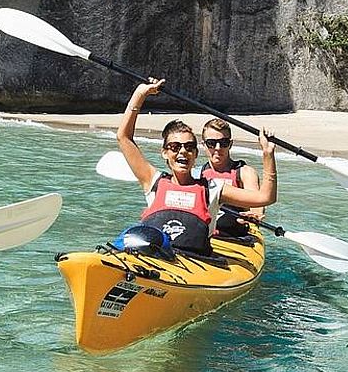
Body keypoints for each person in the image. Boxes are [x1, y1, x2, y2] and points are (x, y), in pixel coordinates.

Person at [114, 80, 277, 255]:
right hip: (157, 255)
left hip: (195, 260)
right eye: (175, 147)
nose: (183, 151)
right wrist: (140, 93)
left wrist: (268, 154)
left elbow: (266, 197)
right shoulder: (153, 181)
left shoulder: (213, 188)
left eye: (189, 147)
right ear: (164, 153)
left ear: (196, 154)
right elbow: (124, 137)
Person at [195, 117, 265, 237]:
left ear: (230, 144)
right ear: (204, 145)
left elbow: (257, 205)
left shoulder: (245, 173)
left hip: (235, 235)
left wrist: (254, 216)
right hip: (204, 234)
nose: (218, 148)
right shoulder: (197, 173)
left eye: (223, 143)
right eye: (211, 143)